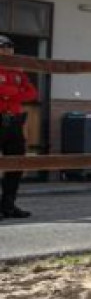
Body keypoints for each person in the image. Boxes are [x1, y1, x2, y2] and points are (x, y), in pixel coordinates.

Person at [0, 36, 36, 219]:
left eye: (10, 47)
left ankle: (8, 205)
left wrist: (9, 93)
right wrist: (15, 92)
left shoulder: (17, 71)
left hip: (14, 121)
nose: (8, 50)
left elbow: (32, 93)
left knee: (16, 163)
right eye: (3, 47)